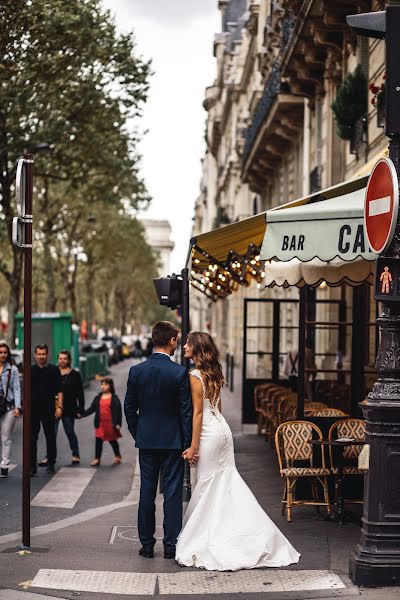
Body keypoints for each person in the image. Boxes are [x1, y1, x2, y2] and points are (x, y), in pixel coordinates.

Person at [175, 331, 300, 571]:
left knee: (207, 485)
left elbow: (198, 413)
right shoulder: (214, 372)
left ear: (196, 348)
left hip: (208, 433)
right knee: (224, 482)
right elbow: (217, 406)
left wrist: (193, 446)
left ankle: (214, 536)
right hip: (222, 429)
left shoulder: (194, 375)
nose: (184, 348)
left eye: (187, 344)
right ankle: (242, 532)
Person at [124, 321, 192, 560]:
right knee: (172, 494)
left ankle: (146, 545)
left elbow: (129, 408)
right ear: (172, 341)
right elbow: (186, 412)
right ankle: (171, 545)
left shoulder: (137, 371)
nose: (178, 344)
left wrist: (138, 432)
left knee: (146, 492)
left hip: (147, 441)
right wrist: (187, 443)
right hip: (173, 442)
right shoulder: (179, 373)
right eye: (177, 340)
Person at [31, 344, 63, 476]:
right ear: (35, 355)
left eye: (43, 354)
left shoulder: (54, 370)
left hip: (49, 408)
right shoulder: (30, 370)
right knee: (32, 438)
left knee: (50, 437)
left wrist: (59, 407)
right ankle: (32, 466)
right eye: (39, 354)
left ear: (47, 354)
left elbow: (60, 390)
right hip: (33, 409)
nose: (41, 356)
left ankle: (51, 464)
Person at [83, 378, 122, 466]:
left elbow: (118, 412)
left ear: (110, 386)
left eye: (105, 385)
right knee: (98, 441)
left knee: (113, 441)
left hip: (111, 424)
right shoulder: (98, 397)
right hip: (100, 424)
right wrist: (82, 414)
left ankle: (117, 456)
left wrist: (118, 423)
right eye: (102, 385)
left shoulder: (114, 398)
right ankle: (97, 459)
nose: (103, 387)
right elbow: (92, 408)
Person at [55, 350, 85, 465]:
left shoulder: (75, 375)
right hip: (55, 408)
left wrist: (80, 410)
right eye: (60, 358)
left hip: (69, 408)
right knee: (51, 434)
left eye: (65, 358)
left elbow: (80, 393)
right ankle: (50, 456)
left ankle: (75, 454)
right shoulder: (54, 372)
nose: (62, 361)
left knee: (70, 432)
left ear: (69, 360)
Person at [0, 342, 21, 478]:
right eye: (0, 352)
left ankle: (4, 465)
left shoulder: (12, 369)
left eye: (5, 352)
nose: (2, 355)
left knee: (6, 437)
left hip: (8, 407)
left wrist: (18, 407)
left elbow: (17, 388)